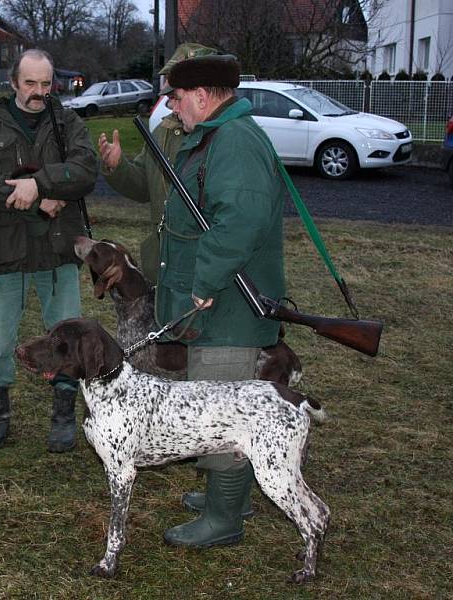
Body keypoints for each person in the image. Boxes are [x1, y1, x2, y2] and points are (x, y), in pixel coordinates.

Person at [153, 55, 287, 548]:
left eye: (178, 97)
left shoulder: (233, 142)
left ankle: (223, 518)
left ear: (204, 97)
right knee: (222, 399)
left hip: (227, 303)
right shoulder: (221, 136)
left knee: (221, 412)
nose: (172, 106)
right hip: (224, 298)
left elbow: (240, 223)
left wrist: (203, 281)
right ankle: (233, 496)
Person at [0, 49, 98, 453]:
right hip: (4, 247)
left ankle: (63, 416)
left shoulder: (68, 121)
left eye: (46, 83)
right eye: (31, 83)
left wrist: (39, 183)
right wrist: (38, 200)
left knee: (67, 334)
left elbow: (86, 169)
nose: (40, 92)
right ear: (13, 82)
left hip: (58, 249)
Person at [98, 43, 217, 282]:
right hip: (163, 266)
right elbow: (143, 185)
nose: (170, 104)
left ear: (201, 93)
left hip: (203, 269)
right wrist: (117, 165)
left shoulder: (225, 137)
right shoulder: (164, 131)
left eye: (175, 96)